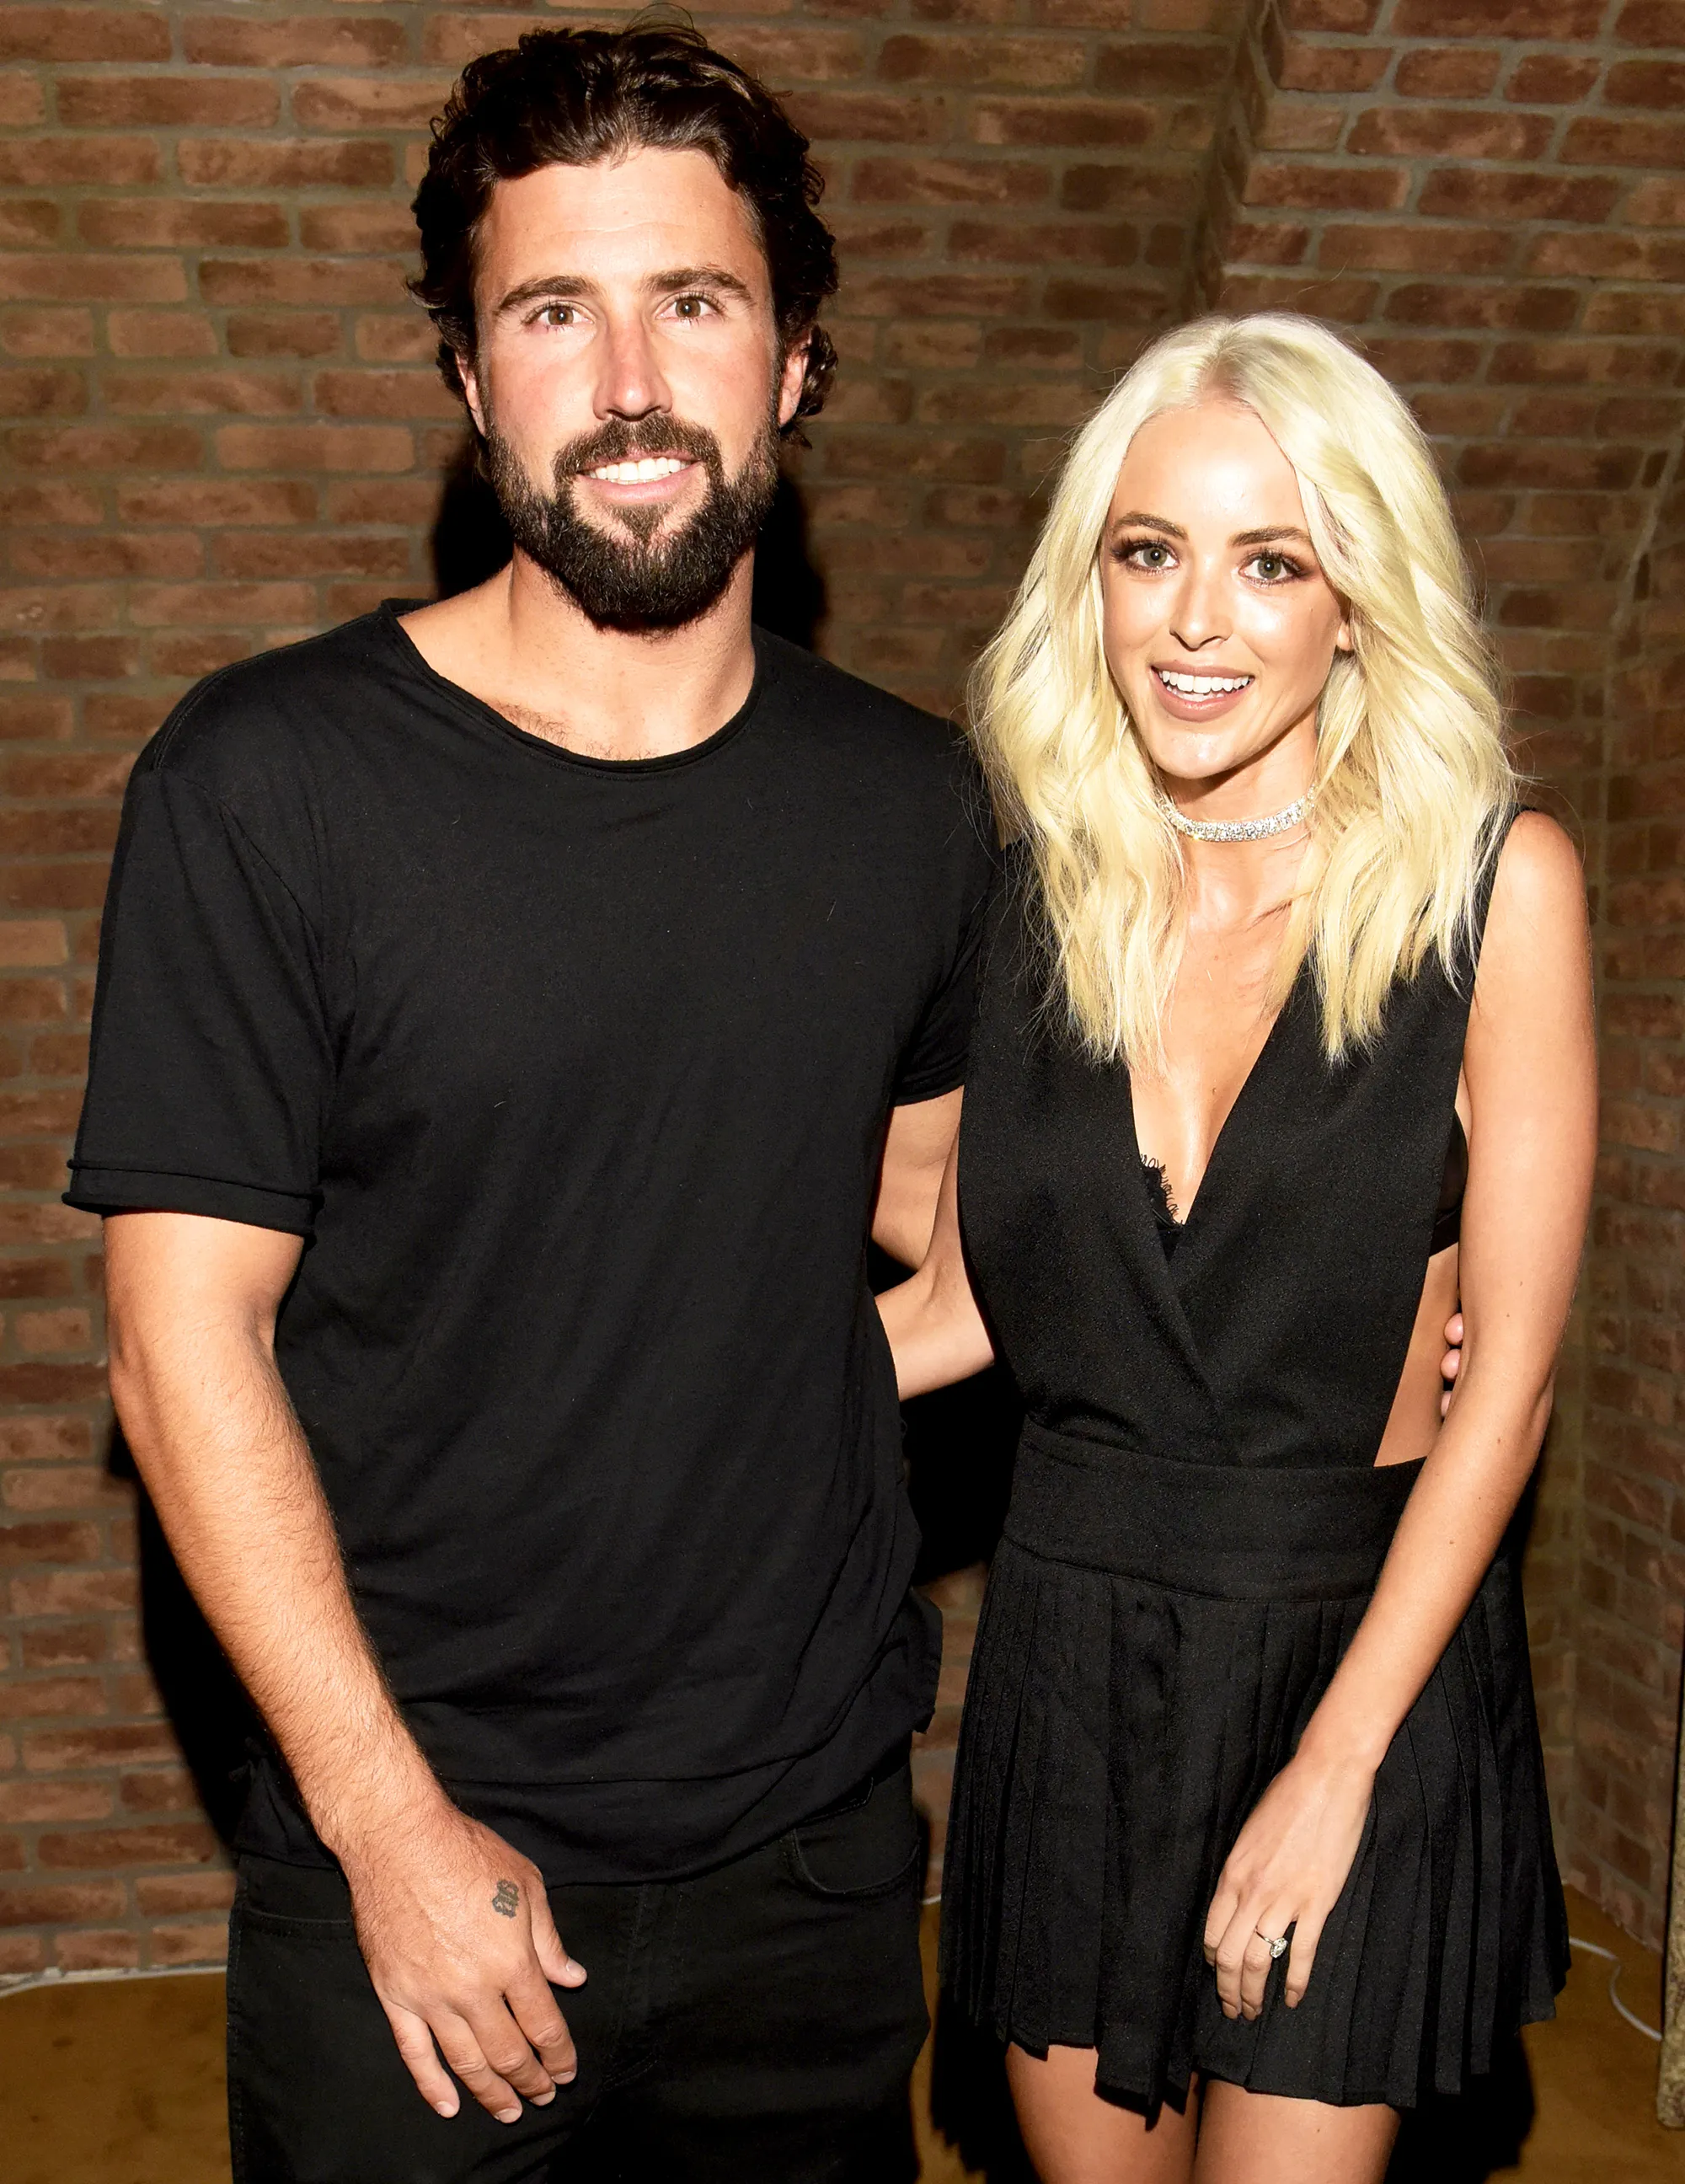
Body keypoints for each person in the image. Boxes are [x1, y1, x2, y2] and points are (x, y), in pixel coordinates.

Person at [68, 26, 998, 2182]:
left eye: (696, 299)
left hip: (819, 1862)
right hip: (422, 1856)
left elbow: (974, 1220)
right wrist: (390, 1826)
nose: (633, 379)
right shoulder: (269, 783)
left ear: (794, 361)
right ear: (474, 384)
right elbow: (172, 1336)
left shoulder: (910, 805)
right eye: (552, 312)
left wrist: (1296, 1293)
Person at [880, 313, 1596, 2183]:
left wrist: (1338, 1767)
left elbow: (1504, 1386)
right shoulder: (1027, 884)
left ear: (1355, 597)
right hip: (1070, 1652)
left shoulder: (1488, 893)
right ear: (1090, 581)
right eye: (1148, 553)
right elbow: (955, 1299)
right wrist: (623, 1391)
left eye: (1268, 561)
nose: (1196, 621)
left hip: (1357, 1651)